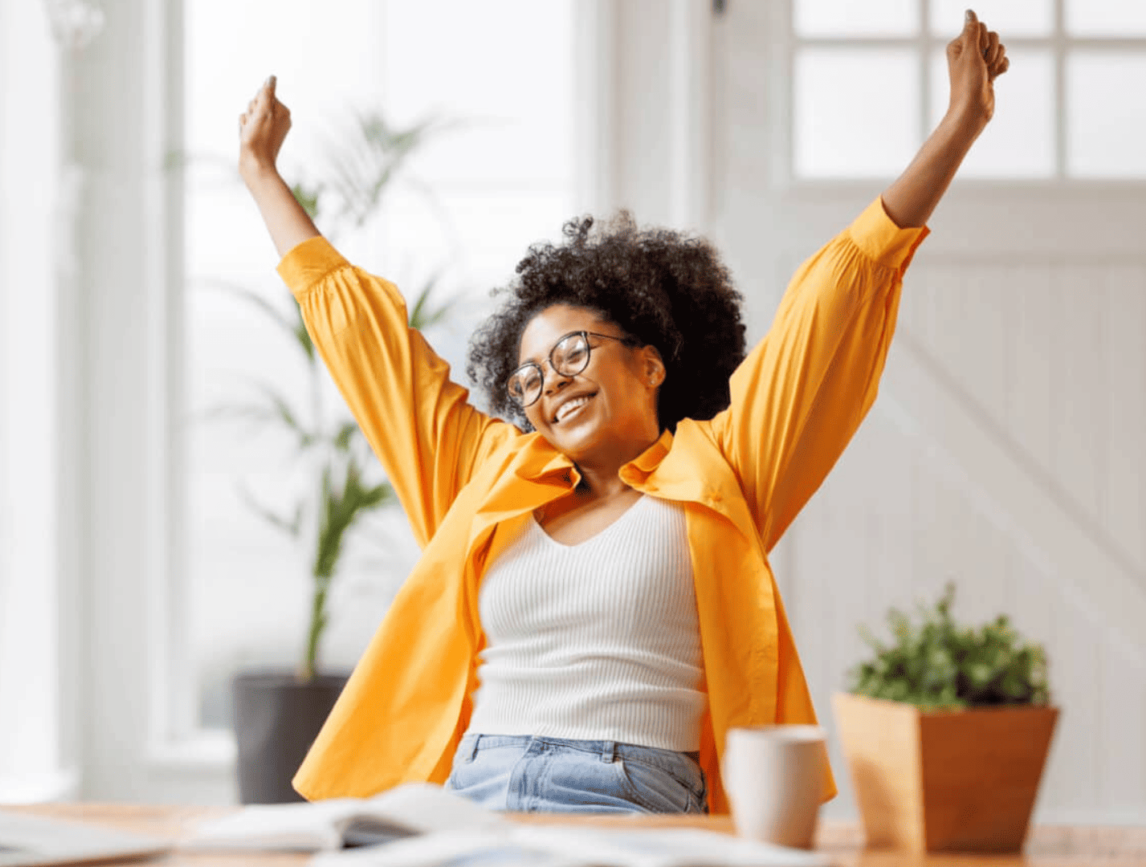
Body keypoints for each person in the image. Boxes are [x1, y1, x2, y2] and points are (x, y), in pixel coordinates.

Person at [235, 11, 1009, 814]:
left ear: (650, 361)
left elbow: (835, 305)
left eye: (573, 353)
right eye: (529, 377)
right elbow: (373, 349)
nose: (551, 384)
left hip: (627, 791)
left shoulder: (722, 470)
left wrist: (958, 126)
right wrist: (262, 175)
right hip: (472, 787)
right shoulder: (490, 476)